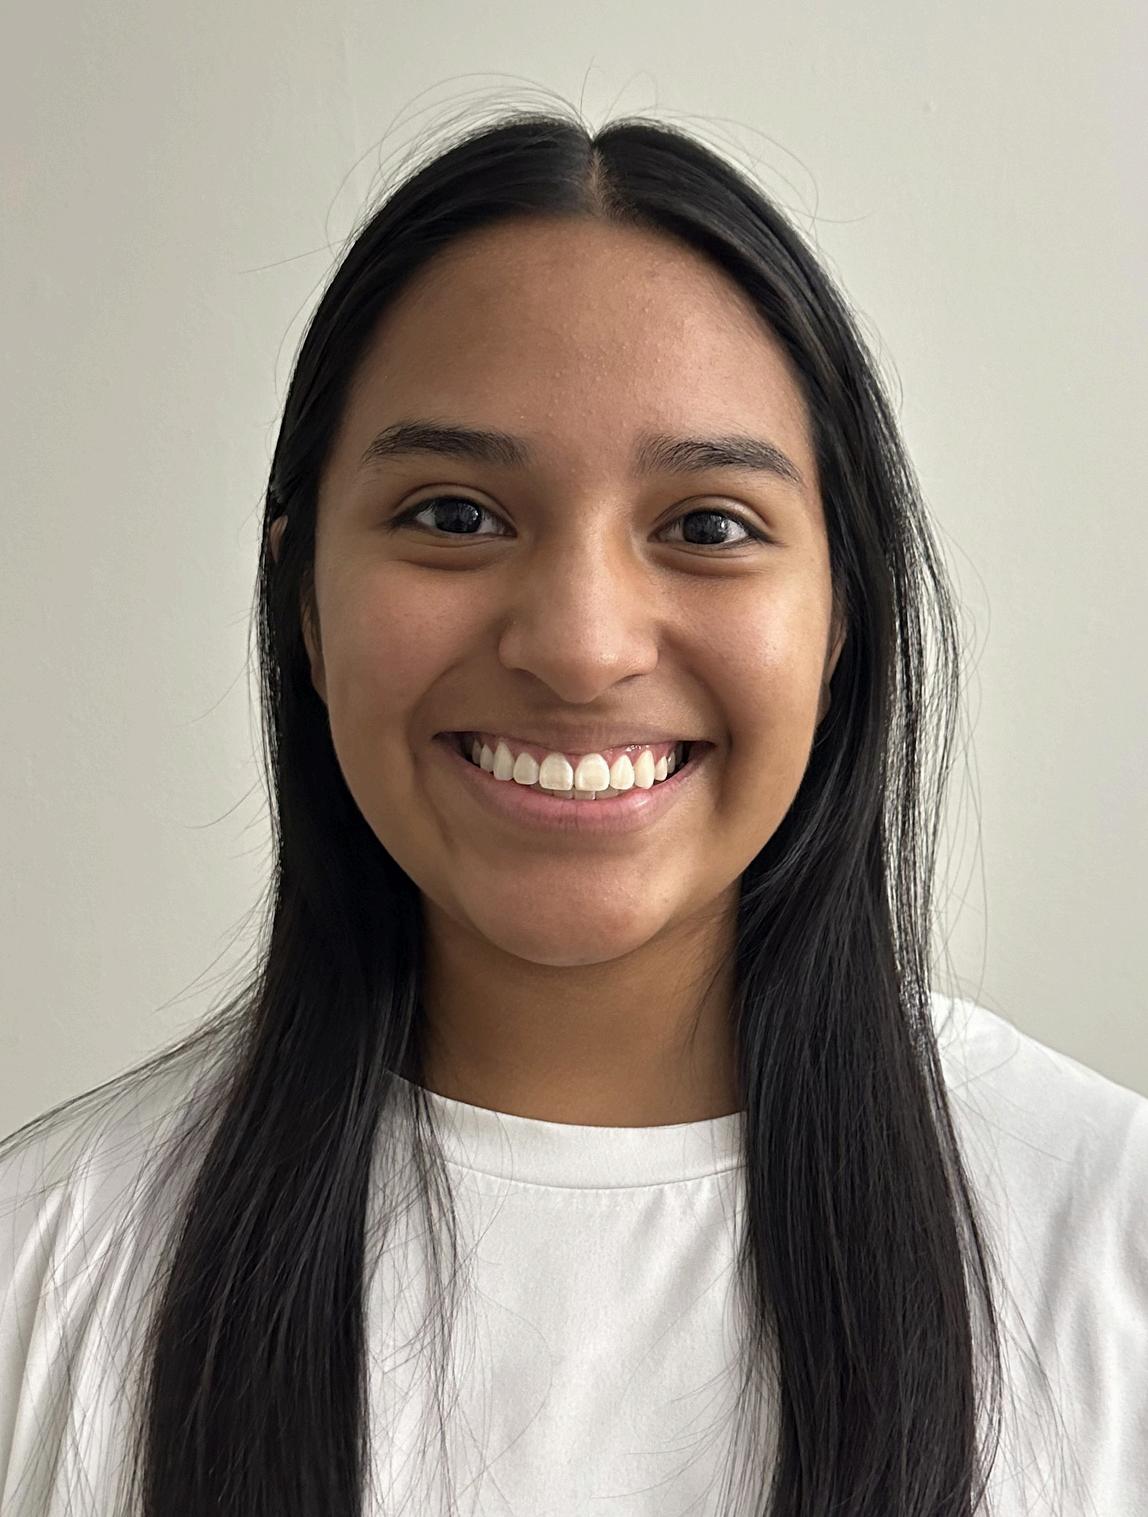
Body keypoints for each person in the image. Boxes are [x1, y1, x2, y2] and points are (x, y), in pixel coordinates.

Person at [2, 105, 1145, 1517]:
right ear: (304, 599)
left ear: (841, 613)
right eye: (454, 515)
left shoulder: (1110, 1242)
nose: (581, 646)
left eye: (709, 526)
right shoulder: (45, 1267)